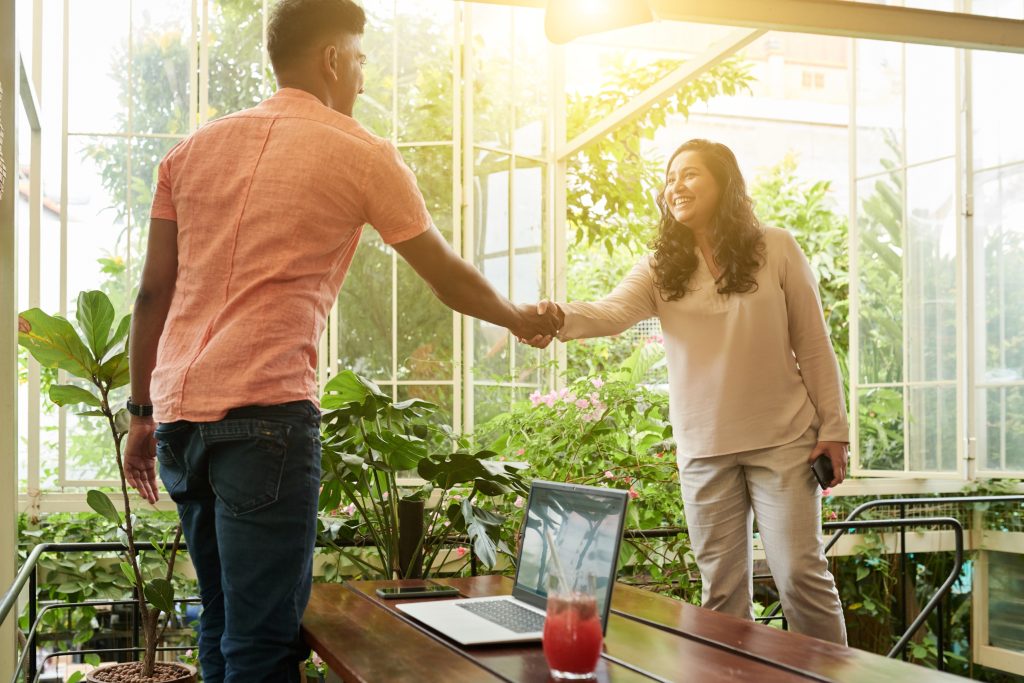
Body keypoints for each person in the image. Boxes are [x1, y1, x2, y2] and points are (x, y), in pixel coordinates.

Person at [120, 1, 559, 681]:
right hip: (265, 416)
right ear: (331, 58)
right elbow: (445, 277)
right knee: (261, 640)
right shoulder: (360, 151)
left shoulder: (190, 152)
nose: (361, 76)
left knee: (221, 621)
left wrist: (141, 415)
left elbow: (151, 293)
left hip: (180, 417)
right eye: (358, 59)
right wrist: (516, 316)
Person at [528, 138, 849, 644]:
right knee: (721, 596)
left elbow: (813, 345)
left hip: (783, 440)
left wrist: (834, 428)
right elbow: (611, 313)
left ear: (724, 182)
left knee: (800, 579)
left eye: (690, 174)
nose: (676, 185)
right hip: (704, 451)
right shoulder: (660, 266)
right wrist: (557, 316)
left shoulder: (777, 247)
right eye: (671, 177)